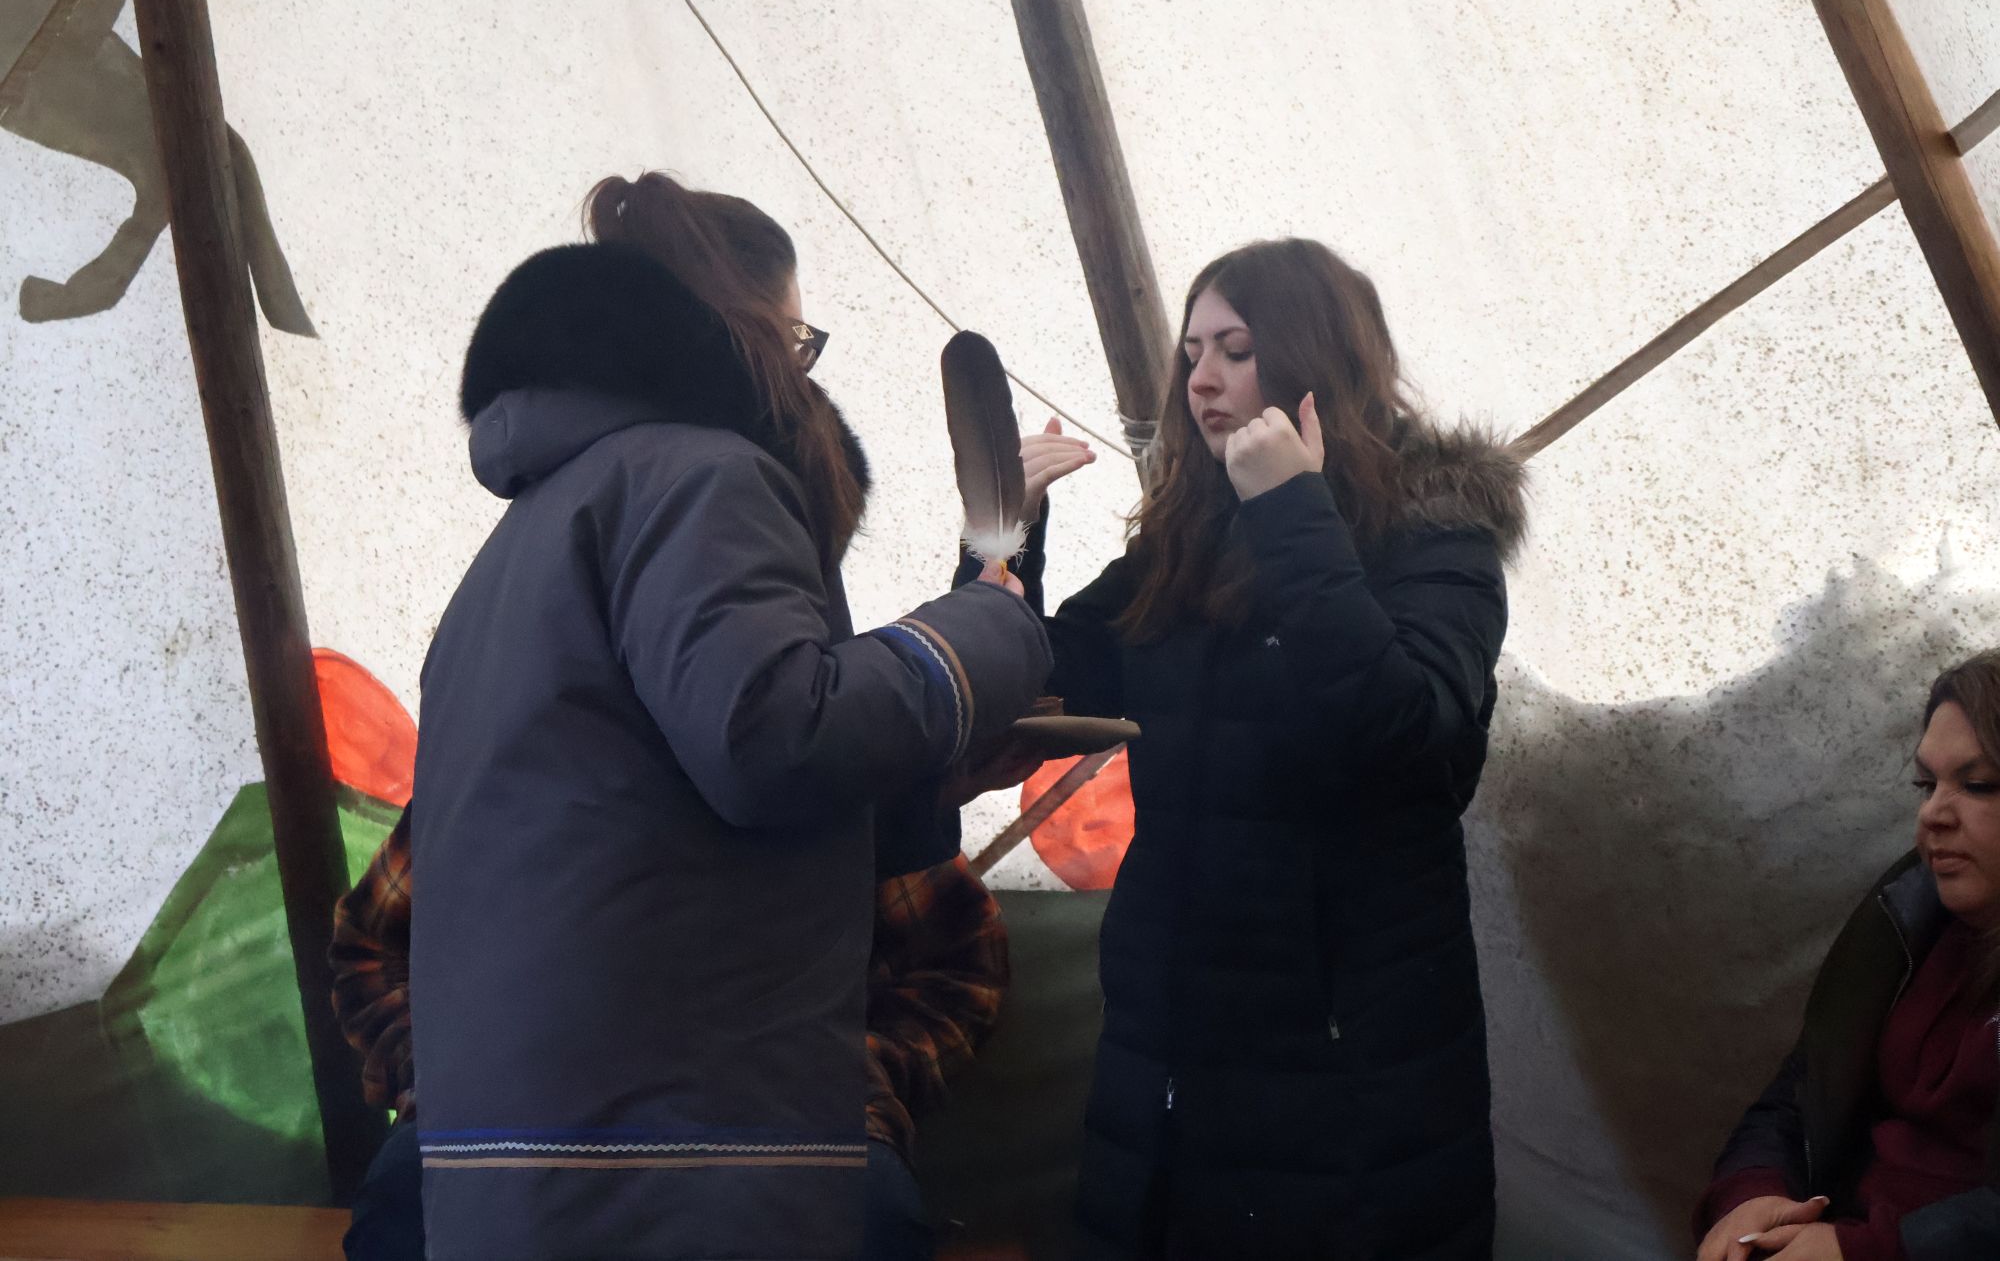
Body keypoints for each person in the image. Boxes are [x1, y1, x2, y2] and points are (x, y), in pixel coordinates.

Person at [407, 173, 1051, 1260]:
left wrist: (924, 773)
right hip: (674, 1163)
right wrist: (984, 630)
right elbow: (768, 738)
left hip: (536, 1161)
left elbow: (657, 809)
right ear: (736, 329)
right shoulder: (698, 479)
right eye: (797, 340)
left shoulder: (533, 530)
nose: (803, 372)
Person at [983, 237, 1526, 1258]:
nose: (1201, 378)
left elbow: (1408, 743)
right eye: (1192, 352)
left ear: (1316, 360)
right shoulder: (1185, 540)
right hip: (1172, 1044)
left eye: (1235, 349)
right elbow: (1046, 677)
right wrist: (1004, 536)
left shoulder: (1434, 537)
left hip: (1341, 1063)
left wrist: (1291, 515)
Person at [331, 809, 1013, 1261]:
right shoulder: (497, 763)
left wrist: (851, 1068)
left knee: (871, 1217)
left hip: (784, 1105)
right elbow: (373, 946)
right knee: (405, 1201)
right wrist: (449, 1065)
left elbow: (961, 957)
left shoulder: (824, 763)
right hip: (520, 1096)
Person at [1694, 651, 2000, 1261]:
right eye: (1926, 785)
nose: (1933, 814)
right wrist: (1751, 1197)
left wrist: (1868, 1251)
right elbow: (1805, 1090)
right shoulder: (1909, 921)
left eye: (1977, 784)